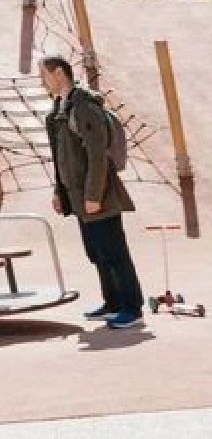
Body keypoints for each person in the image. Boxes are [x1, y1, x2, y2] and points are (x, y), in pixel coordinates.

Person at [40, 55, 143, 329]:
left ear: (59, 73)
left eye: (45, 75)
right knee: (96, 252)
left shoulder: (83, 108)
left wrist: (94, 196)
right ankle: (112, 303)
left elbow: (98, 156)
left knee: (114, 252)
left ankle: (131, 308)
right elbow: (61, 157)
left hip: (98, 195)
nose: (42, 82)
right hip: (77, 195)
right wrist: (58, 191)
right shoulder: (60, 109)